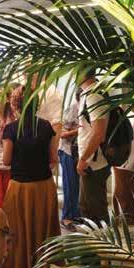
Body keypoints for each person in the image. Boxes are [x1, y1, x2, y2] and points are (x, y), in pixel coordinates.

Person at [2, 86, 61, 268]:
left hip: (20, 188)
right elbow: (53, 157)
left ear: (15, 105)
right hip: (43, 186)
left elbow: (6, 160)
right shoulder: (46, 126)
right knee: (41, 229)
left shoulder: (11, 129)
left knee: (20, 232)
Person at [76, 70, 111, 223]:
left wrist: (84, 159)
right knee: (87, 206)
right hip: (92, 160)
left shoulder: (94, 95)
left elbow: (98, 133)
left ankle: (101, 237)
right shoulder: (89, 94)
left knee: (94, 210)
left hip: (94, 162)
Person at [59, 94, 81, 230]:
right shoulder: (73, 108)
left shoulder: (88, 107)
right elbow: (61, 133)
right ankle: (66, 217)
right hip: (68, 151)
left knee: (77, 186)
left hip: (80, 152)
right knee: (70, 185)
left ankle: (76, 215)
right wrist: (79, 131)